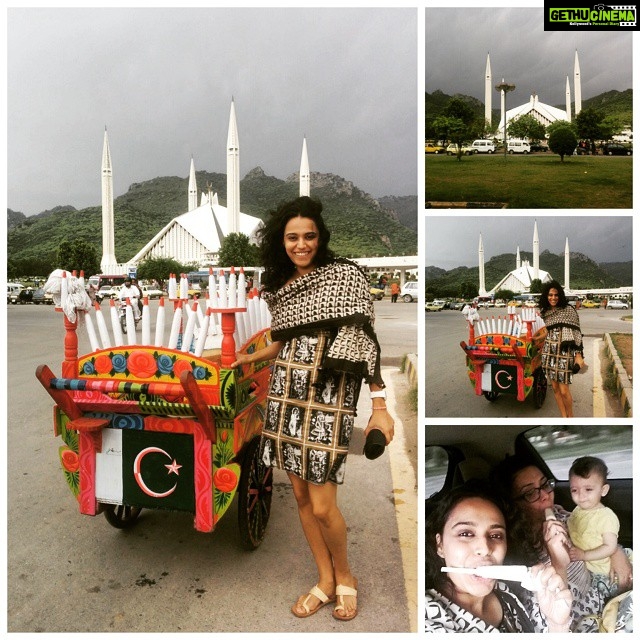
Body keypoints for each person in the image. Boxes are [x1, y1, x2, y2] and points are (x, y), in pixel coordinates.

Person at [231, 196, 394, 621]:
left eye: (308, 237)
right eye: (292, 238)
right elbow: (283, 341)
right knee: (301, 496)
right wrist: (252, 358)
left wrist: (379, 404)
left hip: (329, 395)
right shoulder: (281, 287)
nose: (300, 245)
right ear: (280, 242)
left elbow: (364, 342)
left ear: (320, 239)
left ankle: (346, 576)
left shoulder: (343, 277)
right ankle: (324, 580)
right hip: (286, 392)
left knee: (324, 505)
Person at [492, 456, 633, 631]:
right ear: (512, 505)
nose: (545, 495)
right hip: (581, 620)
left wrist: (616, 551)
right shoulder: (518, 557)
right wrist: (558, 562)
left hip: (600, 591)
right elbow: (547, 621)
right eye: (530, 493)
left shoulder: (558, 513)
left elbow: (593, 531)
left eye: (545, 485)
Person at [425, 480, 573, 633]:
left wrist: (557, 625)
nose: (485, 548)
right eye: (466, 534)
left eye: (495, 535)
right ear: (439, 544)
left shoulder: (505, 592)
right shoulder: (427, 619)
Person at [567, 456, 622, 599]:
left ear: (603, 490)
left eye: (588, 489)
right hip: (587, 569)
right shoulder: (577, 511)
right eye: (574, 490)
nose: (581, 496)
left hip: (604, 572)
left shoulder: (606, 517)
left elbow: (610, 547)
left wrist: (584, 555)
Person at [538, 280, 585, 418]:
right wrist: (537, 339)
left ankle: (571, 418)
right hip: (549, 352)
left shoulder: (569, 310)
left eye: (556, 295)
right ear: (546, 296)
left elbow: (576, 333)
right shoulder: (545, 312)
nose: (553, 297)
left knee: (564, 390)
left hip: (564, 353)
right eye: (550, 295)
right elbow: (549, 331)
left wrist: (578, 354)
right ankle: (564, 417)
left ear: (560, 295)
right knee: (555, 389)